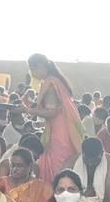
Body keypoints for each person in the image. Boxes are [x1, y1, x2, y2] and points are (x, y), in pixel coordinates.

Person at [23, 54, 85, 183]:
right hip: (64, 128)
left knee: (59, 165)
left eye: (32, 69)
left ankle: (56, 192)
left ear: (40, 66)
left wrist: (26, 110)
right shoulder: (57, 80)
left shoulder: (50, 83)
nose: (32, 73)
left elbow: (50, 112)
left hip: (59, 131)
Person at [64, 137, 110, 202]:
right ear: (82, 153)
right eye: (87, 161)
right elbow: (61, 188)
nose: (90, 164)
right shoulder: (71, 161)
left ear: (102, 153)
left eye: (94, 162)